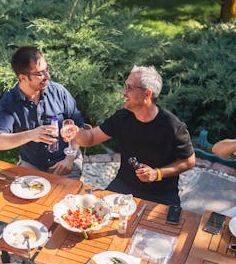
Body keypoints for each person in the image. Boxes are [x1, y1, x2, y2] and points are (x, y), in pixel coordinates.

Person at [75, 65, 195, 206]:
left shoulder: (173, 126)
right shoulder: (122, 118)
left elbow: (189, 162)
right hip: (123, 186)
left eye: (129, 88)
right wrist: (74, 132)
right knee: (96, 216)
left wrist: (157, 174)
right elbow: (90, 138)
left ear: (147, 94)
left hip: (162, 195)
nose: (123, 92)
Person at [0, 46, 84, 179]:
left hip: (65, 161)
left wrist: (70, 157)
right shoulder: (10, 101)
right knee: (23, 197)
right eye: (40, 73)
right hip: (32, 165)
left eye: (47, 70)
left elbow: (79, 126)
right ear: (23, 77)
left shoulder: (59, 92)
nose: (47, 76)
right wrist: (30, 135)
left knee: (67, 198)